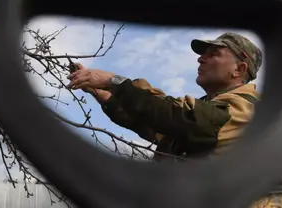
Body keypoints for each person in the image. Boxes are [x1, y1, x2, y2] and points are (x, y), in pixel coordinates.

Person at [67, 32, 263, 162]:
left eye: (214, 54)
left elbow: (177, 117)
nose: (201, 58)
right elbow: (153, 125)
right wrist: (106, 97)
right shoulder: (207, 108)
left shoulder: (246, 109)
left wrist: (114, 81)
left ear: (239, 69)